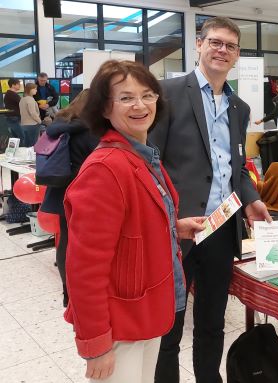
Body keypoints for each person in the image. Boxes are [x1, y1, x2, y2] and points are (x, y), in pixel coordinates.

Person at [63, 60, 206, 383]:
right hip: (120, 324)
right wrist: (96, 344)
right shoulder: (105, 168)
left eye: (147, 95)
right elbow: (84, 267)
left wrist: (174, 227)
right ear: (104, 108)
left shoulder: (141, 155)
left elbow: (131, 227)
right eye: (126, 98)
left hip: (146, 313)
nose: (140, 105)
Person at [149, 16, 270, 383]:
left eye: (230, 46)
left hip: (221, 229)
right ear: (199, 44)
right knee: (169, 325)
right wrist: (168, 221)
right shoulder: (166, 94)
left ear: (236, 56)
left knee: (212, 322)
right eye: (215, 42)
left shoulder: (239, 108)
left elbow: (234, 167)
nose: (222, 50)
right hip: (180, 230)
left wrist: (250, 198)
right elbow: (151, 163)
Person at [39, 89, 99, 307]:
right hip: (85, 192)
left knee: (66, 240)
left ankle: (67, 291)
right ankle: (82, 293)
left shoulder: (59, 124)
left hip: (60, 189)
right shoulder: (91, 130)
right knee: (87, 245)